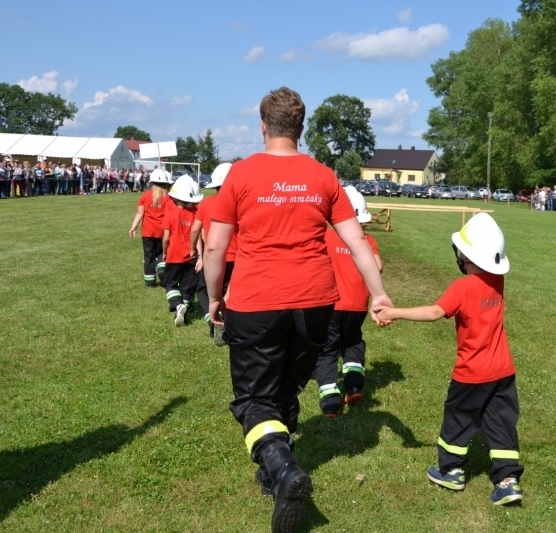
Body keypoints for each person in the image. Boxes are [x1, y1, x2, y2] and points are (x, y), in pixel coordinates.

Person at [202, 87, 392, 533]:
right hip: (316, 302)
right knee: (287, 386)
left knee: (254, 397)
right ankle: (274, 473)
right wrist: (378, 293)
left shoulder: (242, 174)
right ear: (301, 130)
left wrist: (214, 296)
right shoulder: (323, 176)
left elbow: (215, 245)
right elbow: (357, 243)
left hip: (256, 300)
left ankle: (281, 467)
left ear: (263, 126)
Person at [376, 213, 524, 507]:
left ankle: (451, 471)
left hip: (471, 374)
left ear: (467, 255)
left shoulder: (462, 287)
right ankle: (508, 482)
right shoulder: (498, 280)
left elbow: (434, 312)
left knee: (458, 420)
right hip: (503, 372)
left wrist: (393, 313)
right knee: (501, 423)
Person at [313, 186, 383, 418]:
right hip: (357, 305)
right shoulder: (368, 241)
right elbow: (378, 266)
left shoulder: (326, 235)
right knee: (352, 342)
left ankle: (330, 401)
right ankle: (353, 386)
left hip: (330, 304)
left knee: (327, 350)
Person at [189, 162, 234, 341]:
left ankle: (213, 321)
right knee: (230, 294)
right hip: (236, 258)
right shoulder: (241, 204)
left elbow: (195, 229)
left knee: (204, 290)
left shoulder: (206, 204)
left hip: (214, 257)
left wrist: (193, 249)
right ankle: (229, 325)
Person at [162, 174, 203, 326]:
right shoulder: (195, 215)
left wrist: (165, 252)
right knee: (186, 287)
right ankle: (184, 313)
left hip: (174, 256)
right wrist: (199, 255)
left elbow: (166, 238)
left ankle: (178, 304)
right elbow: (198, 237)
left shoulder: (170, 214)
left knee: (171, 284)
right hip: (190, 257)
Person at [129, 169, 173, 287]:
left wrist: (133, 227)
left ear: (151, 182)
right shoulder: (168, 197)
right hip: (163, 231)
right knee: (162, 252)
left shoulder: (146, 195)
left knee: (148, 255)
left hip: (148, 231)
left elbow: (140, 213)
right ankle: (162, 269)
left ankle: (150, 281)